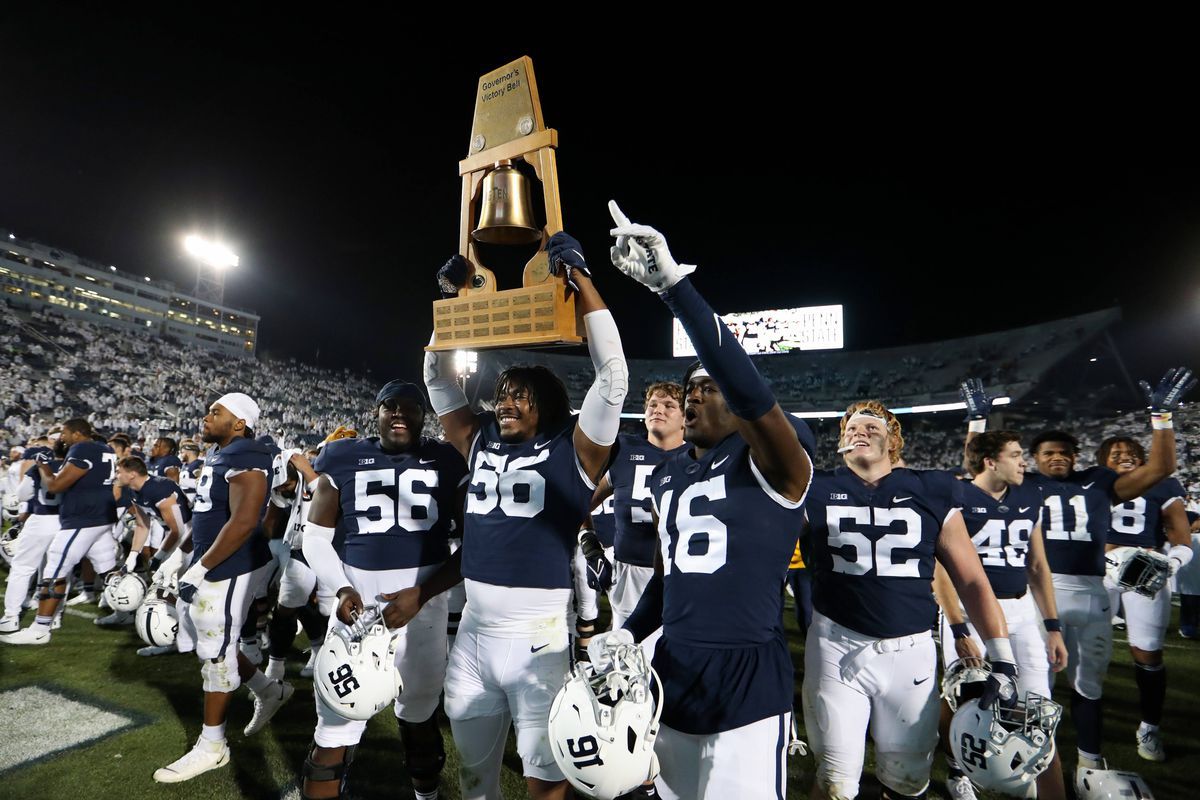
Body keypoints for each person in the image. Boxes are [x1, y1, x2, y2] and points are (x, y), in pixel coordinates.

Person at [601, 202, 815, 800]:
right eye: (688, 389)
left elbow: (751, 394)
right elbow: (674, 577)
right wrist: (631, 630)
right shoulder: (670, 472)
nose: (693, 397)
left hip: (747, 677)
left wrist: (674, 289)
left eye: (707, 388)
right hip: (675, 670)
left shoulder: (776, 458)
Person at [424, 231, 627, 800]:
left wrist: (581, 280)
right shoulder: (480, 438)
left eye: (520, 395)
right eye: (502, 392)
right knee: (472, 774)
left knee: (544, 778)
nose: (504, 402)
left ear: (549, 404)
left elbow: (613, 378)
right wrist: (450, 305)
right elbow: (437, 377)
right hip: (472, 634)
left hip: (537, 636)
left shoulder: (576, 449)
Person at [1022, 366, 1192, 791]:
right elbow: (981, 466)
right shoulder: (1023, 485)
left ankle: (1090, 761)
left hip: (1092, 592)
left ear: (1076, 457)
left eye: (1064, 452)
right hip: (1038, 594)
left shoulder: (1100, 484)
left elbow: (1161, 468)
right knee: (1035, 688)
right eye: (1048, 453)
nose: (1057, 457)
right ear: (1034, 459)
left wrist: (1162, 418)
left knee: (1089, 684)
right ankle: (1038, 761)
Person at [299, 381, 467, 800]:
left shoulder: (447, 459)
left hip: (422, 617)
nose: (399, 413)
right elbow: (316, 538)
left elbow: (475, 545)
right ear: (374, 412)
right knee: (334, 727)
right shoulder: (342, 456)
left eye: (410, 407)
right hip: (356, 612)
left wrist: (423, 593)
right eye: (389, 406)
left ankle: (426, 795)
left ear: (423, 416)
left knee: (419, 718)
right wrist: (339, 589)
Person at [153, 393, 293, 783]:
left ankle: (213, 746)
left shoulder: (246, 454)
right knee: (215, 643)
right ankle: (269, 690)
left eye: (216, 412)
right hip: (215, 561)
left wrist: (201, 569)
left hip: (232, 566)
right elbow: (207, 516)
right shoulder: (222, 454)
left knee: (215, 655)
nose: (205, 416)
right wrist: (180, 559)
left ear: (239, 423)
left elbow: (245, 520)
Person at [934, 419, 1069, 800]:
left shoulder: (1028, 499)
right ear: (990, 462)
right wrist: (957, 625)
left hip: (1021, 609)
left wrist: (1052, 627)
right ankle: (957, 767)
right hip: (970, 611)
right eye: (1015, 455)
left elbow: (1038, 567)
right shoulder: (956, 496)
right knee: (964, 697)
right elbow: (940, 568)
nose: (1023, 462)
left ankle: (1044, 786)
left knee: (1038, 707)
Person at [1097, 435, 1194, 761]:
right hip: (1099, 571)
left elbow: (1181, 533)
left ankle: (1149, 727)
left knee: (1148, 653)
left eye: (1131, 452)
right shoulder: (1094, 484)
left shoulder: (1163, 485)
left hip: (1145, 570)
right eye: (1116, 453)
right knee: (1082, 648)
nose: (1124, 455)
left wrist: (1172, 561)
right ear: (1103, 461)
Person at [1, 418, 117, 646]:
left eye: (65, 432)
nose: (63, 437)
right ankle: (128, 611)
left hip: (81, 518)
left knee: (54, 569)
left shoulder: (81, 448)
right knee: (108, 570)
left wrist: (43, 466)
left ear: (76, 433)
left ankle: (40, 628)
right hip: (102, 516)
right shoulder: (105, 448)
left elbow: (55, 486)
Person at [586, 381, 688, 639]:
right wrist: (590, 547)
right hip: (629, 573)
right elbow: (581, 503)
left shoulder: (699, 456)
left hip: (682, 573)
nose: (658, 410)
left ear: (685, 418)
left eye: (669, 406)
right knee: (628, 666)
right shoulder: (624, 450)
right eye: (652, 404)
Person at [107, 455, 190, 631]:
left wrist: (159, 556)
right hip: (172, 535)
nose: (116, 475)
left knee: (176, 588)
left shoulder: (159, 489)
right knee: (165, 587)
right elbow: (142, 524)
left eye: (119, 471)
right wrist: (132, 557)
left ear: (132, 474)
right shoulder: (133, 489)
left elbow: (179, 530)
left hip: (189, 538)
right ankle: (174, 634)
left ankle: (178, 635)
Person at [0, 437, 62, 634]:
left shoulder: (38, 468)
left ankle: (11, 617)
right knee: (58, 571)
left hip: (40, 519)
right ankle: (55, 616)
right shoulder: (73, 469)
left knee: (22, 568)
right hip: (65, 522)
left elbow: (22, 494)